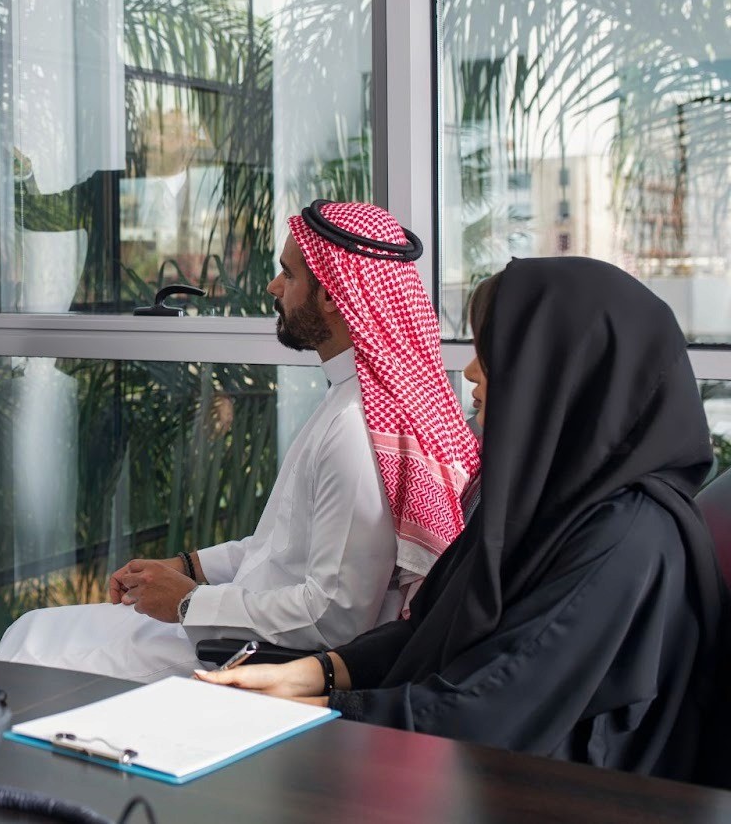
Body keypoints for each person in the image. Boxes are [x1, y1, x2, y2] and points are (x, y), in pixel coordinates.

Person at [199, 257, 730, 784]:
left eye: (496, 354)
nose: (473, 372)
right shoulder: (545, 503)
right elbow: (429, 627)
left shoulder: (628, 537)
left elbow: (497, 706)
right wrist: (311, 672)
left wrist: (321, 710)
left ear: (564, 373)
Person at [0, 202, 478, 680]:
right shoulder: (346, 402)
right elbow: (279, 550)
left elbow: (333, 617)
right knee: (32, 628)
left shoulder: (356, 428)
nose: (273, 287)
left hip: (251, 658)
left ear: (332, 295)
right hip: (230, 629)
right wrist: (185, 566)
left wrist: (186, 601)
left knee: (35, 654)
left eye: (288, 275)